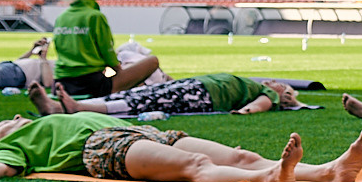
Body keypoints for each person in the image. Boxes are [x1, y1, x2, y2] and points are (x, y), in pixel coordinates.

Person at [0, 113, 362, 182]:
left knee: (236, 154)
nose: (13, 121)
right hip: (102, 149)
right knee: (198, 166)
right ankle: (274, 178)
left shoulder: (45, 116)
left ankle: (329, 171)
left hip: (139, 131)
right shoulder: (16, 143)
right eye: (2, 125)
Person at [52, 0, 162, 98]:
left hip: (60, 83)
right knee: (152, 61)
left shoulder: (62, 17)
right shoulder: (95, 16)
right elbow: (107, 52)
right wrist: (121, 72)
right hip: (91, 84)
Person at [32, 73, 309, 118]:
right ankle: (64, 105)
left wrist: (245, 112)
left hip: (203, 95)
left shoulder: (265, 92)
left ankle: (75, 108)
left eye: (280, 85)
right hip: (196, 85)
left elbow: (261, 104)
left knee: (143, 101)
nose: (274, 82)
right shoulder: (256, 84)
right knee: (142, 93)